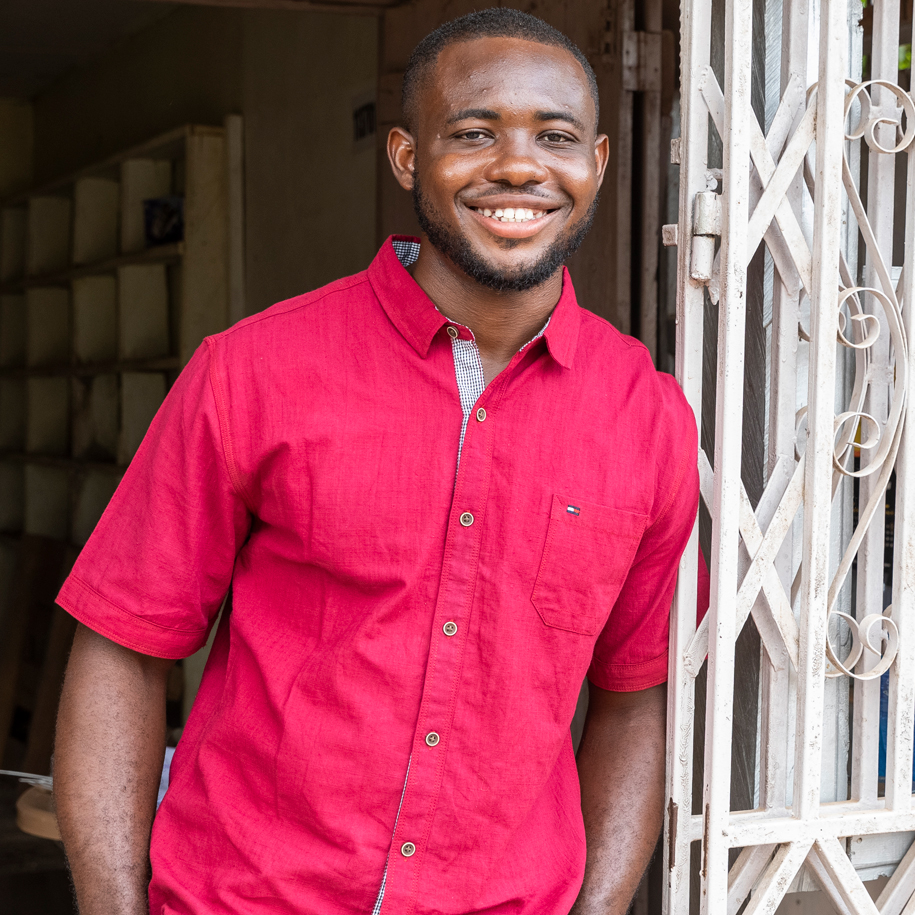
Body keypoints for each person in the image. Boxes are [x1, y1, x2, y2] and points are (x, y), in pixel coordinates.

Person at [54, 9, 699, 915]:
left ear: (594, 163)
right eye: (473, 133)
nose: (519, 167)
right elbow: (124, 647)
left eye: (554, 137)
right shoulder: (252, 372)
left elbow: (635, 700)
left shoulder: (647, 418)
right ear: (405, 157)